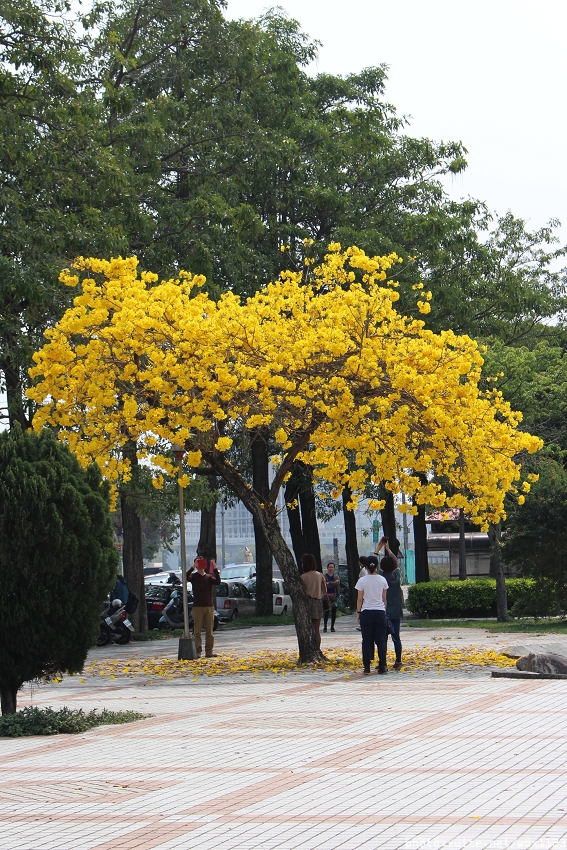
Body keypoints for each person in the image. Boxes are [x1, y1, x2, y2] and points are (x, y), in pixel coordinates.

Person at [355, 556, 389, 674]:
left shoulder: (362, 581)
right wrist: (383, 611)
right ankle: (383, 665)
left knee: (366, 640)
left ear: (366, 567)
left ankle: (366, 666)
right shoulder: (382, 580)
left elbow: (360, 599)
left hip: (366, 612)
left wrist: (358, 613)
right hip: (380, 612)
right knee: (381, 640)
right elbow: (384, 598)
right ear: (377, 566)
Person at [187, 556, 221, 658]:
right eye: (198, 562)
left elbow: (218, 581)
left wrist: (215, 569)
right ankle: (198, 651)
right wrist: (193, 567)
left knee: (209, 631)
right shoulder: (194, 577)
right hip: (197, 607)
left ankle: (209, 651)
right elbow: (185, 576)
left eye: (201, 562)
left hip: (209, 607)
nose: (200, 564)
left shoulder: (209, 577)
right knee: (197, 631)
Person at [379, 554, 404, 670]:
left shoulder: (381, 577)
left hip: (384, 612)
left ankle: (382, 662)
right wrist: (388, 549)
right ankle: (398, 661)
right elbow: (396, 563)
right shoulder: (397, 576)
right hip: (396, 611)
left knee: (383, 638)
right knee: (396, 637)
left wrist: (378, 550)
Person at [301, 553, 327, 647]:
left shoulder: (303, 577)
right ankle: (317, 649)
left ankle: (308, 648)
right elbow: (325, 590)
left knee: (307, 629)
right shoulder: (320, 575)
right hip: (318, 602)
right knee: (316, 630)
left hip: (307, 603)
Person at [323, 562, 340, 632]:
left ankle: (332, 626)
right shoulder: (324, 577)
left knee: (334, 612)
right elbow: (324, 585)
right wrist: (333, 584)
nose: (331, 569)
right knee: (326, 612)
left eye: (332, 567)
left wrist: (329, 583)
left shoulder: (336, 577)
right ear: (327, 568)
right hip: (326, 596)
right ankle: (325, 626)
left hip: (334, 596)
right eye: (329, 567)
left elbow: (337, 583)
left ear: (334, 568)